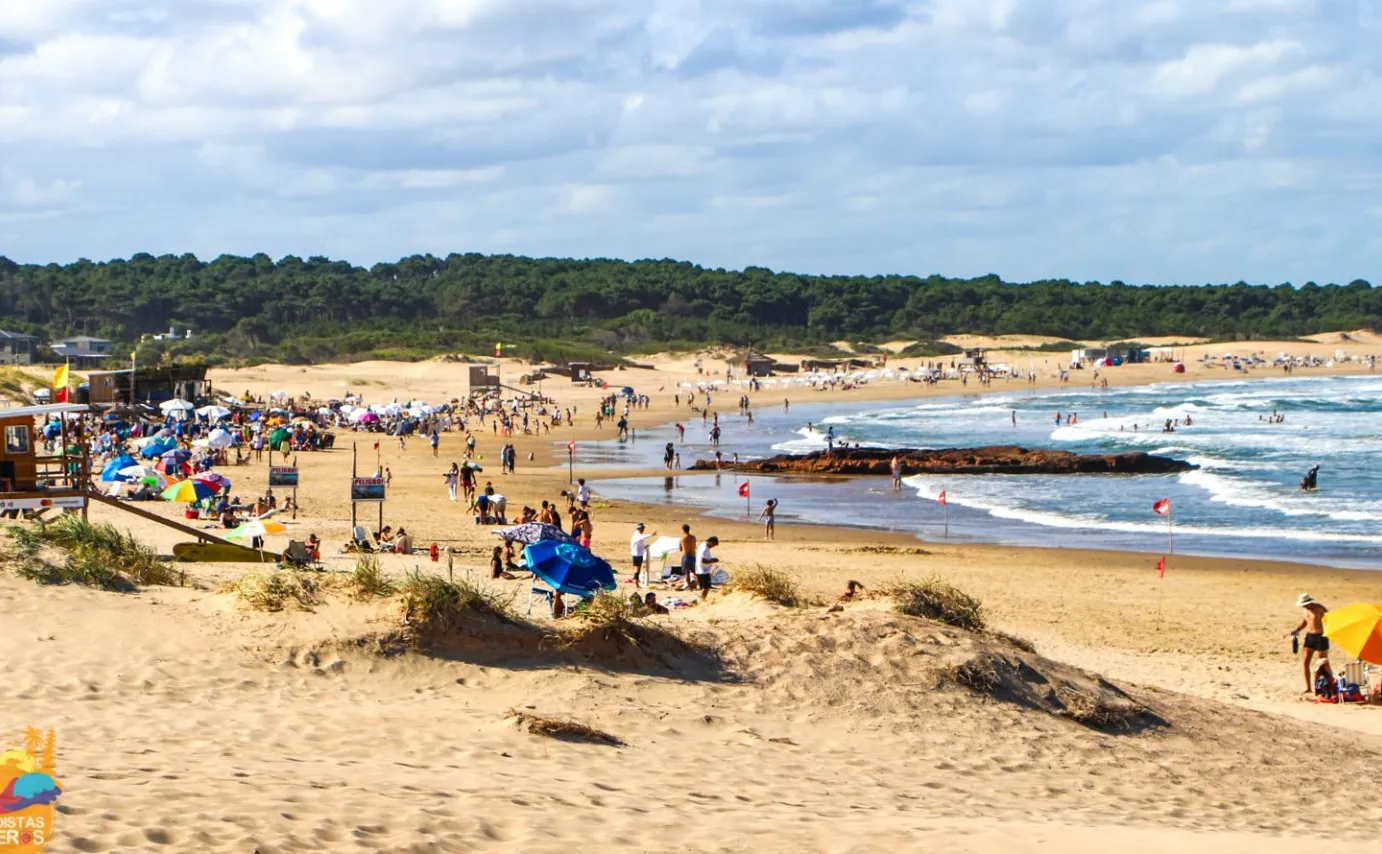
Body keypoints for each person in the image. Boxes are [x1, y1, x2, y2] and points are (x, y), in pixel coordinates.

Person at [1287, 593, 1330, 693]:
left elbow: (1329, 619)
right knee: (1305, 662)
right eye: (1303, 604)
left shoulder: (1319, 608)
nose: (1305, 606)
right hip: (1310, 637)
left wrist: (1329, 632)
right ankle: (1308, 688)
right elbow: (1305, 621)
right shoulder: (1305, 610)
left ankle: (1322, 687)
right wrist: (1297, 629)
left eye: (1306, 604)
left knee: (1322, 663)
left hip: (1321, 636)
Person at [630, 522, 655, 586]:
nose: (643, 530)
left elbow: (640, 544)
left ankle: (636, 581)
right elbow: (642, 537)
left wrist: (644, 547)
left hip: (637, 554)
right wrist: (651, 534)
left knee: (637, 569)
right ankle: (636, 583)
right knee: (637, 570)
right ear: (639, 529)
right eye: (642, 528)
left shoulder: (636, 535)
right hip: (637, 555)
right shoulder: (637, 535)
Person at [694, 535, 720, 600]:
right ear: (711, 542)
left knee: (703, 587)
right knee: (706, 587)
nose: (713, 546)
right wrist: (712, 560)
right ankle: (702, 600)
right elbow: (703, 560)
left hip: (700, 569)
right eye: (714, 545)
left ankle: (701, 600)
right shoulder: (705, 548)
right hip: (703, 570)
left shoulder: (703, 545)